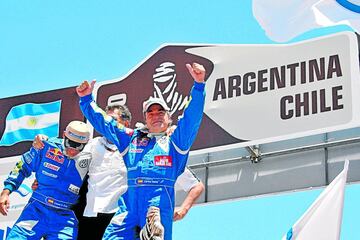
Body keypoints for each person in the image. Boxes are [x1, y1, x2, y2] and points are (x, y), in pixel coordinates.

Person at [76, 62, 206, 240]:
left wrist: (199, 86)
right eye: (151, 113)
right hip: (129, 204)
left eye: (161, 112)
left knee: (156, 230)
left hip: (158, 204)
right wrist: (86, 100)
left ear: (169, 118)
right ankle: (146, 233)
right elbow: (107, 124)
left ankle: (151, 232)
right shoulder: (131, 138)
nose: (156, 115)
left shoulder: (177, 143)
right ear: (145, 118)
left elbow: (192, 118)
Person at [0, 121, 91, 239]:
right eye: (70, 143)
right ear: (64, 135)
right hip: (36, 210)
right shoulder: (46, 146)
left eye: (79, 146)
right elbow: (22, 165)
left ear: (86, 143)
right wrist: (6, 192)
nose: (73, 149)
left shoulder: (91, 158)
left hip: (65, 217)